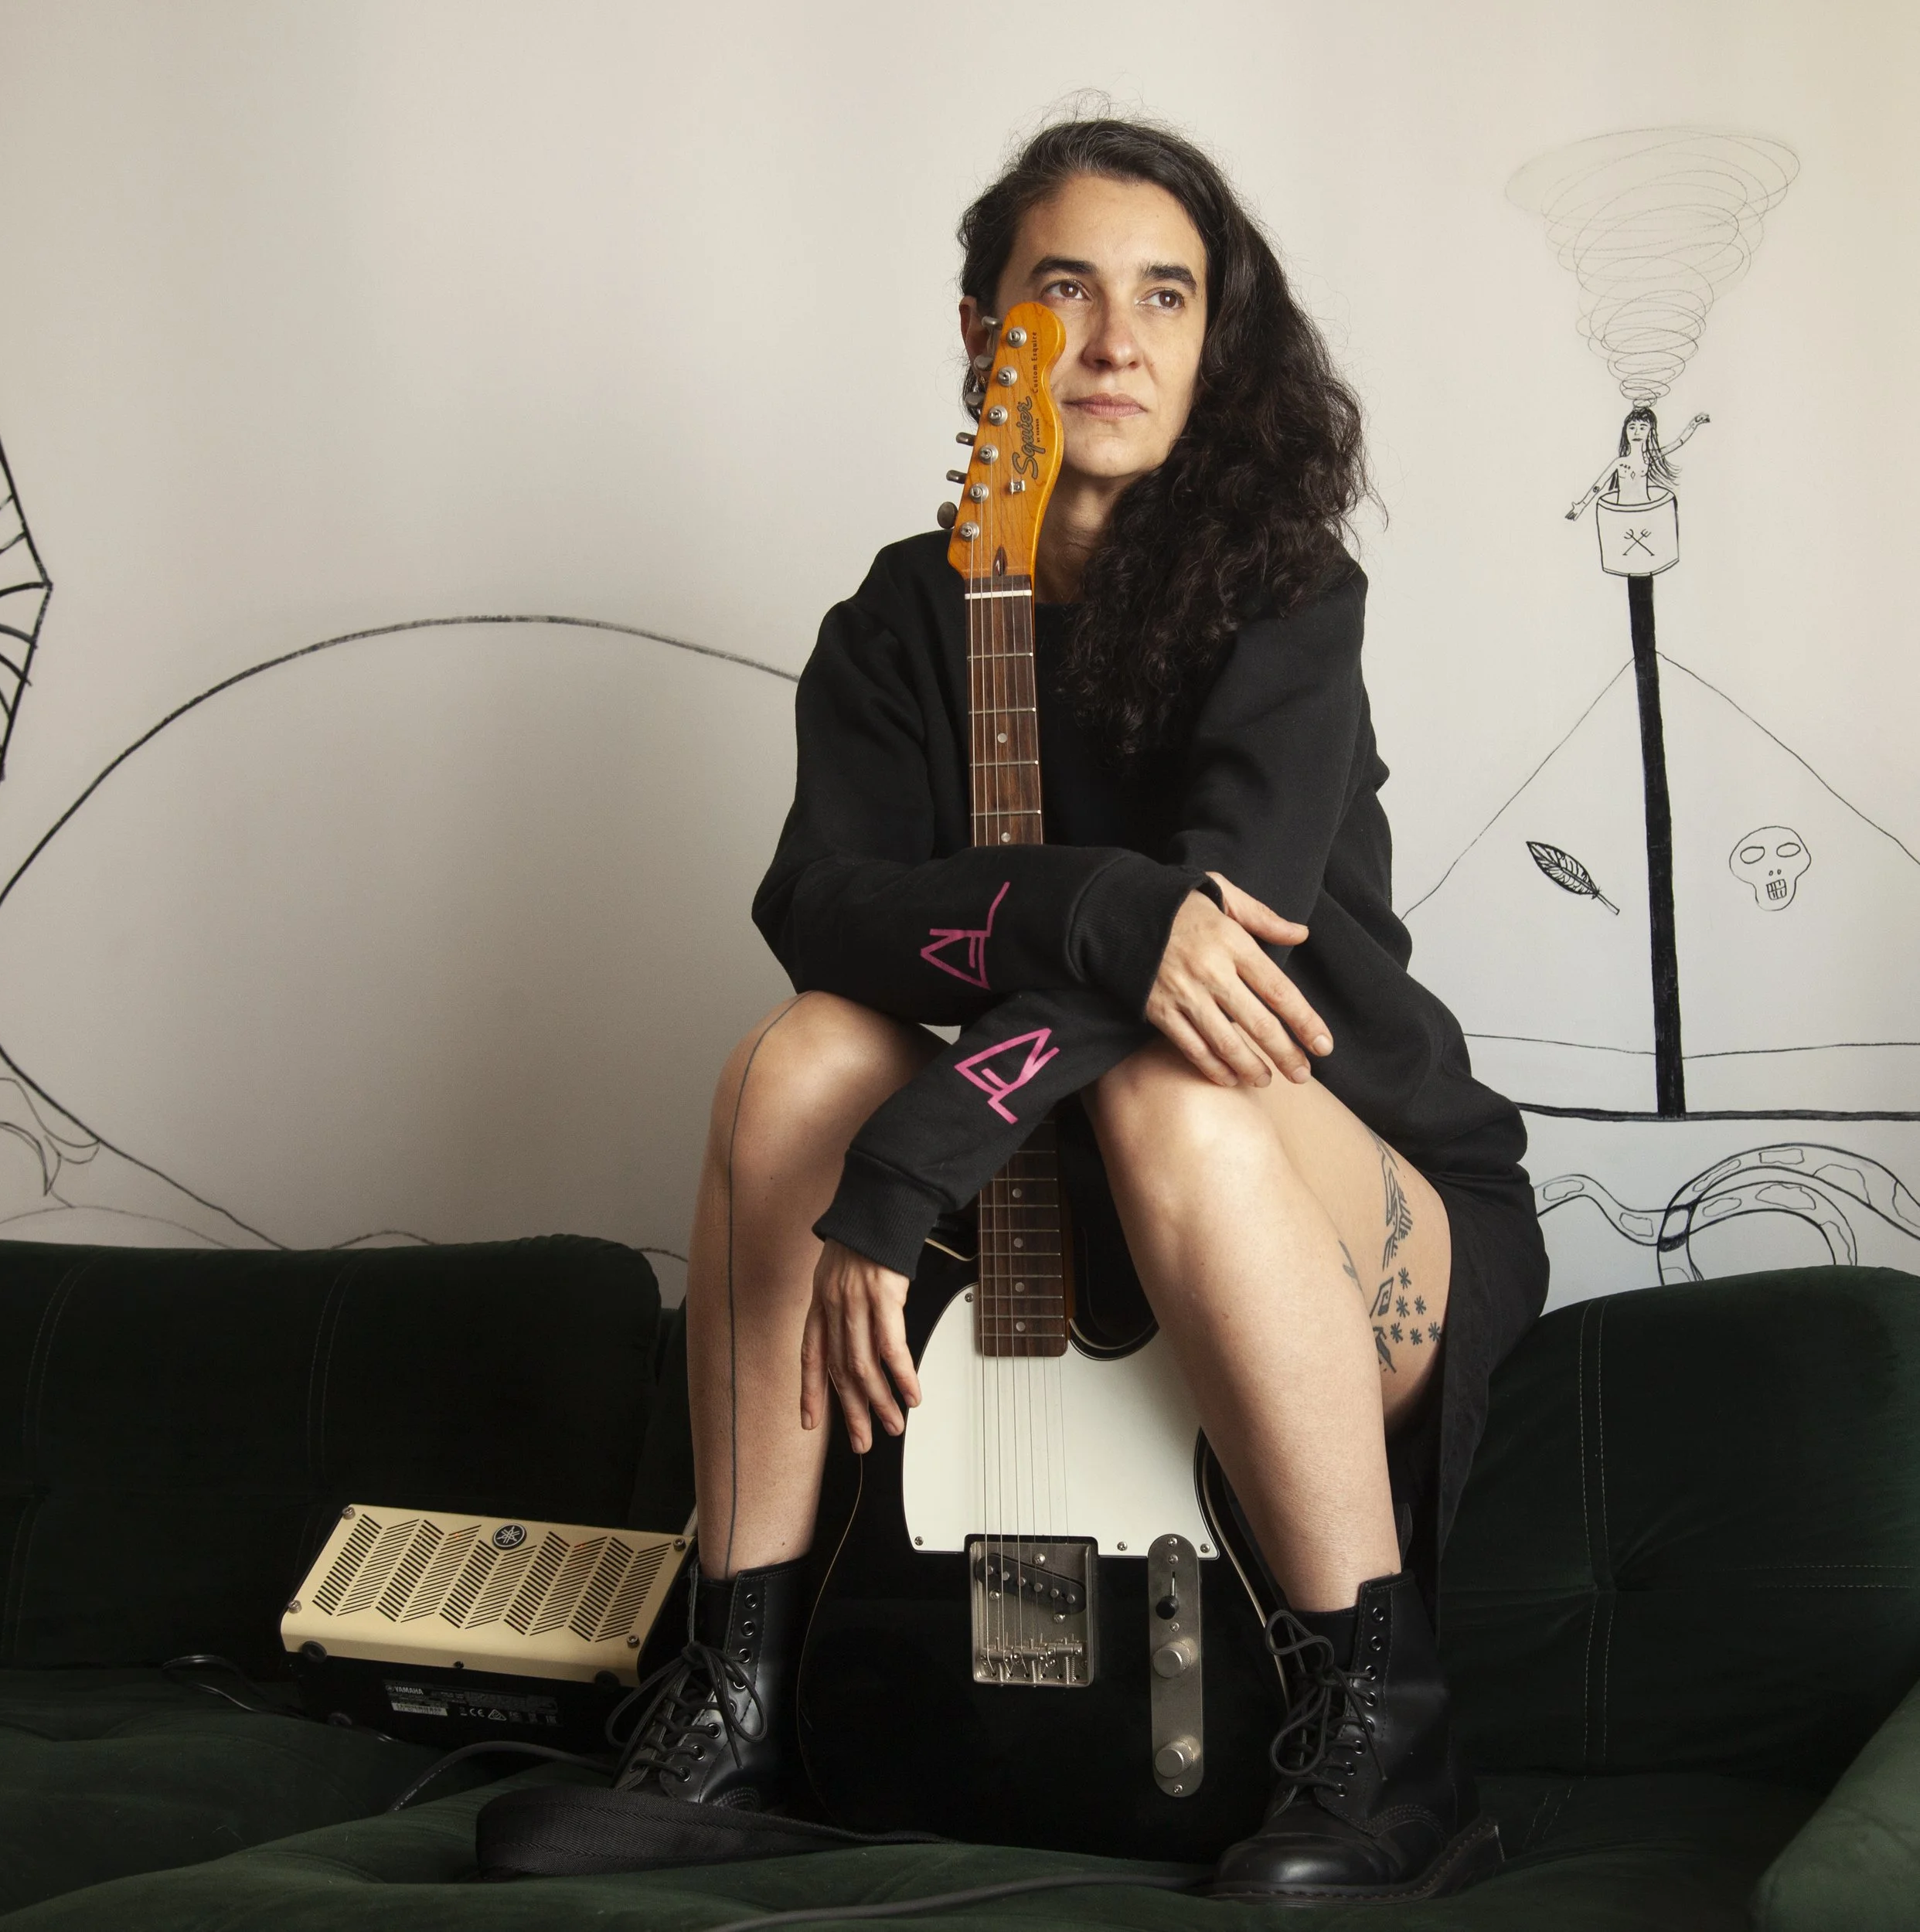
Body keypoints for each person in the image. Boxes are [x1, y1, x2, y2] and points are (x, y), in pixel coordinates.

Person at [615, 117, 1547, 1904]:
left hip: (1343, 1204)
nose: (1117, 338)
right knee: (790, 1058)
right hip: (1055, 1215)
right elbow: (821, 907)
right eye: (1067, 288)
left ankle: (1390, 1731)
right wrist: (1092, 908)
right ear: (986, 334)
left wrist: (916, 1155)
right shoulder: (901, 615)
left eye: (1166, 295)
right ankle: (729, 1694)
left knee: (1172, 1078)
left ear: (1212, 340)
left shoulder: (1286, 600)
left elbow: (1220, 962)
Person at [1566, 403, 1708, 519]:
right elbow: (1598, 486)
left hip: (1646, 511)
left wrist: (1694, 424)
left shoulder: (1649, 457)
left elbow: (1678, 443)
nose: (1637, 432)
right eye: (1632, 427)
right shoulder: (1619, 463)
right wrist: (1582, 505)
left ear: (1650, 432)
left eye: (1642, 428)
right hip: (1622, 512)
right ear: (1626, 432)